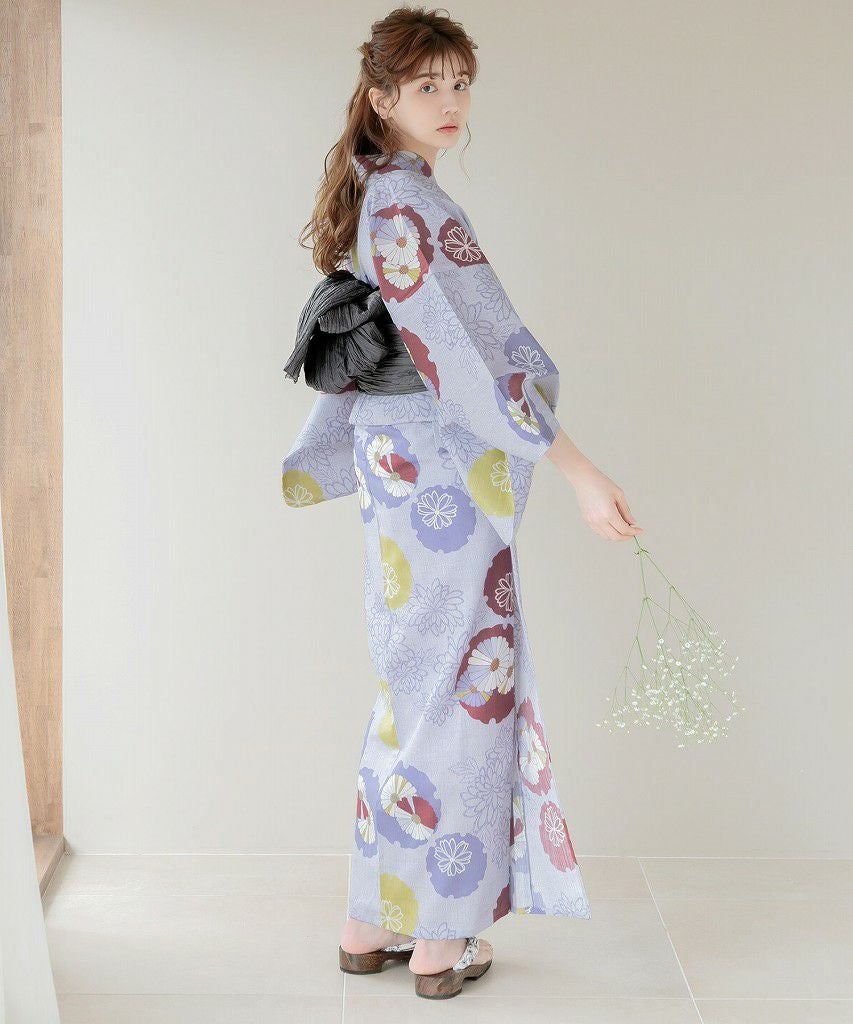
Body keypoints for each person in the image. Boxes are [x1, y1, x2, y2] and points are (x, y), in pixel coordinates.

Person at [280, 6, 643, 999]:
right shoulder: (409, 203)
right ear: (381, 97)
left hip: (396, 458)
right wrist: (576, 468)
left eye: (459, 83)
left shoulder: (379, 191)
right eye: (426, 86)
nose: (450, 103)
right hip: (438, 460)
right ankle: (441, 935)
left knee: (415, 679)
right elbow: (469, 361)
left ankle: (368, 921)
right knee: (464, 685)